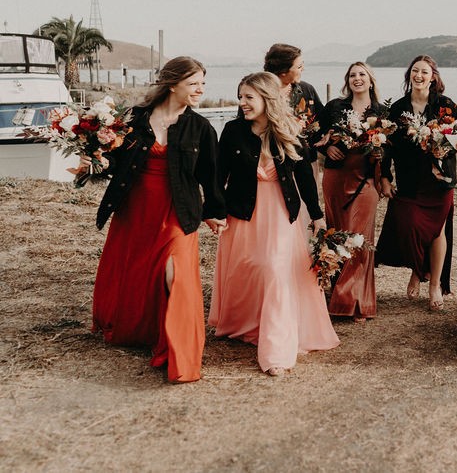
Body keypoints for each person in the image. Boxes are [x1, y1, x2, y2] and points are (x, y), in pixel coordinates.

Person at [92, 56, 226, 384]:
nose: (200, 90)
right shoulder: (136, 119)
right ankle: (143, 329)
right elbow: (115, 158)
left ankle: (182, 355)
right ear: (172, 83)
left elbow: (212, 176)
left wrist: (215, 212)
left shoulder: (201, 128)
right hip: (136, 208)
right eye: (194, 83)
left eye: (203, 84)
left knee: (175, 276)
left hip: (178, 210)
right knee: (137, 271)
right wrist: (95, 156)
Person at [209, 72, 339, 376]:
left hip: (282, 214)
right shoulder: (232, 131)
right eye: (240, 96)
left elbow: (305, 178)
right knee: (249, 268)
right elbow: (218, 176)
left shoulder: (290, 130)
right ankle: (248, 323)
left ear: (267, 99)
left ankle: (276, 350)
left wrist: (317, 216)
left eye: (248, 97)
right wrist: (213, 210)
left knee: (276, 271)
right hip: (243, 213)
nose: (242, 103)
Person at [375, 55, 457, 311]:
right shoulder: (398, 108)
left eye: (425, 71)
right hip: (409, 179)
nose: (419, 75)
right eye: (415, 70)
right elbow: (386, 146)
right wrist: (384, 176)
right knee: (409, 226)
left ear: (433, 76)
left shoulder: (446, 106)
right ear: (409, 75)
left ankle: (433, 283)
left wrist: (442, 148)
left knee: (437, 231)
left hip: (440, 180)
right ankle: (418, 267)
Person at [320, 62, 385, 322]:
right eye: (352, 75)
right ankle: (338, 292)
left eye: (362, 75)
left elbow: (389, 150)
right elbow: (314, 134)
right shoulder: (335, 107)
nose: (357, 78)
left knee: (360, 237)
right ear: (348, 81)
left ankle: (357, 300)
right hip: (336, 177)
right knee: (337, 234)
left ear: (370, 80)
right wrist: (325, 150)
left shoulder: (382, 112)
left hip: (366, 178)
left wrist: (384, 174)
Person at [263, 43, 325, 164]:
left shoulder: (307, 90)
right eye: (299, 66)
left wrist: (326, 146)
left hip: (306, 160)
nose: (303, 69)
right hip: (271, 163)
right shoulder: (260, 93)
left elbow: (323, 119)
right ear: (283, 71)